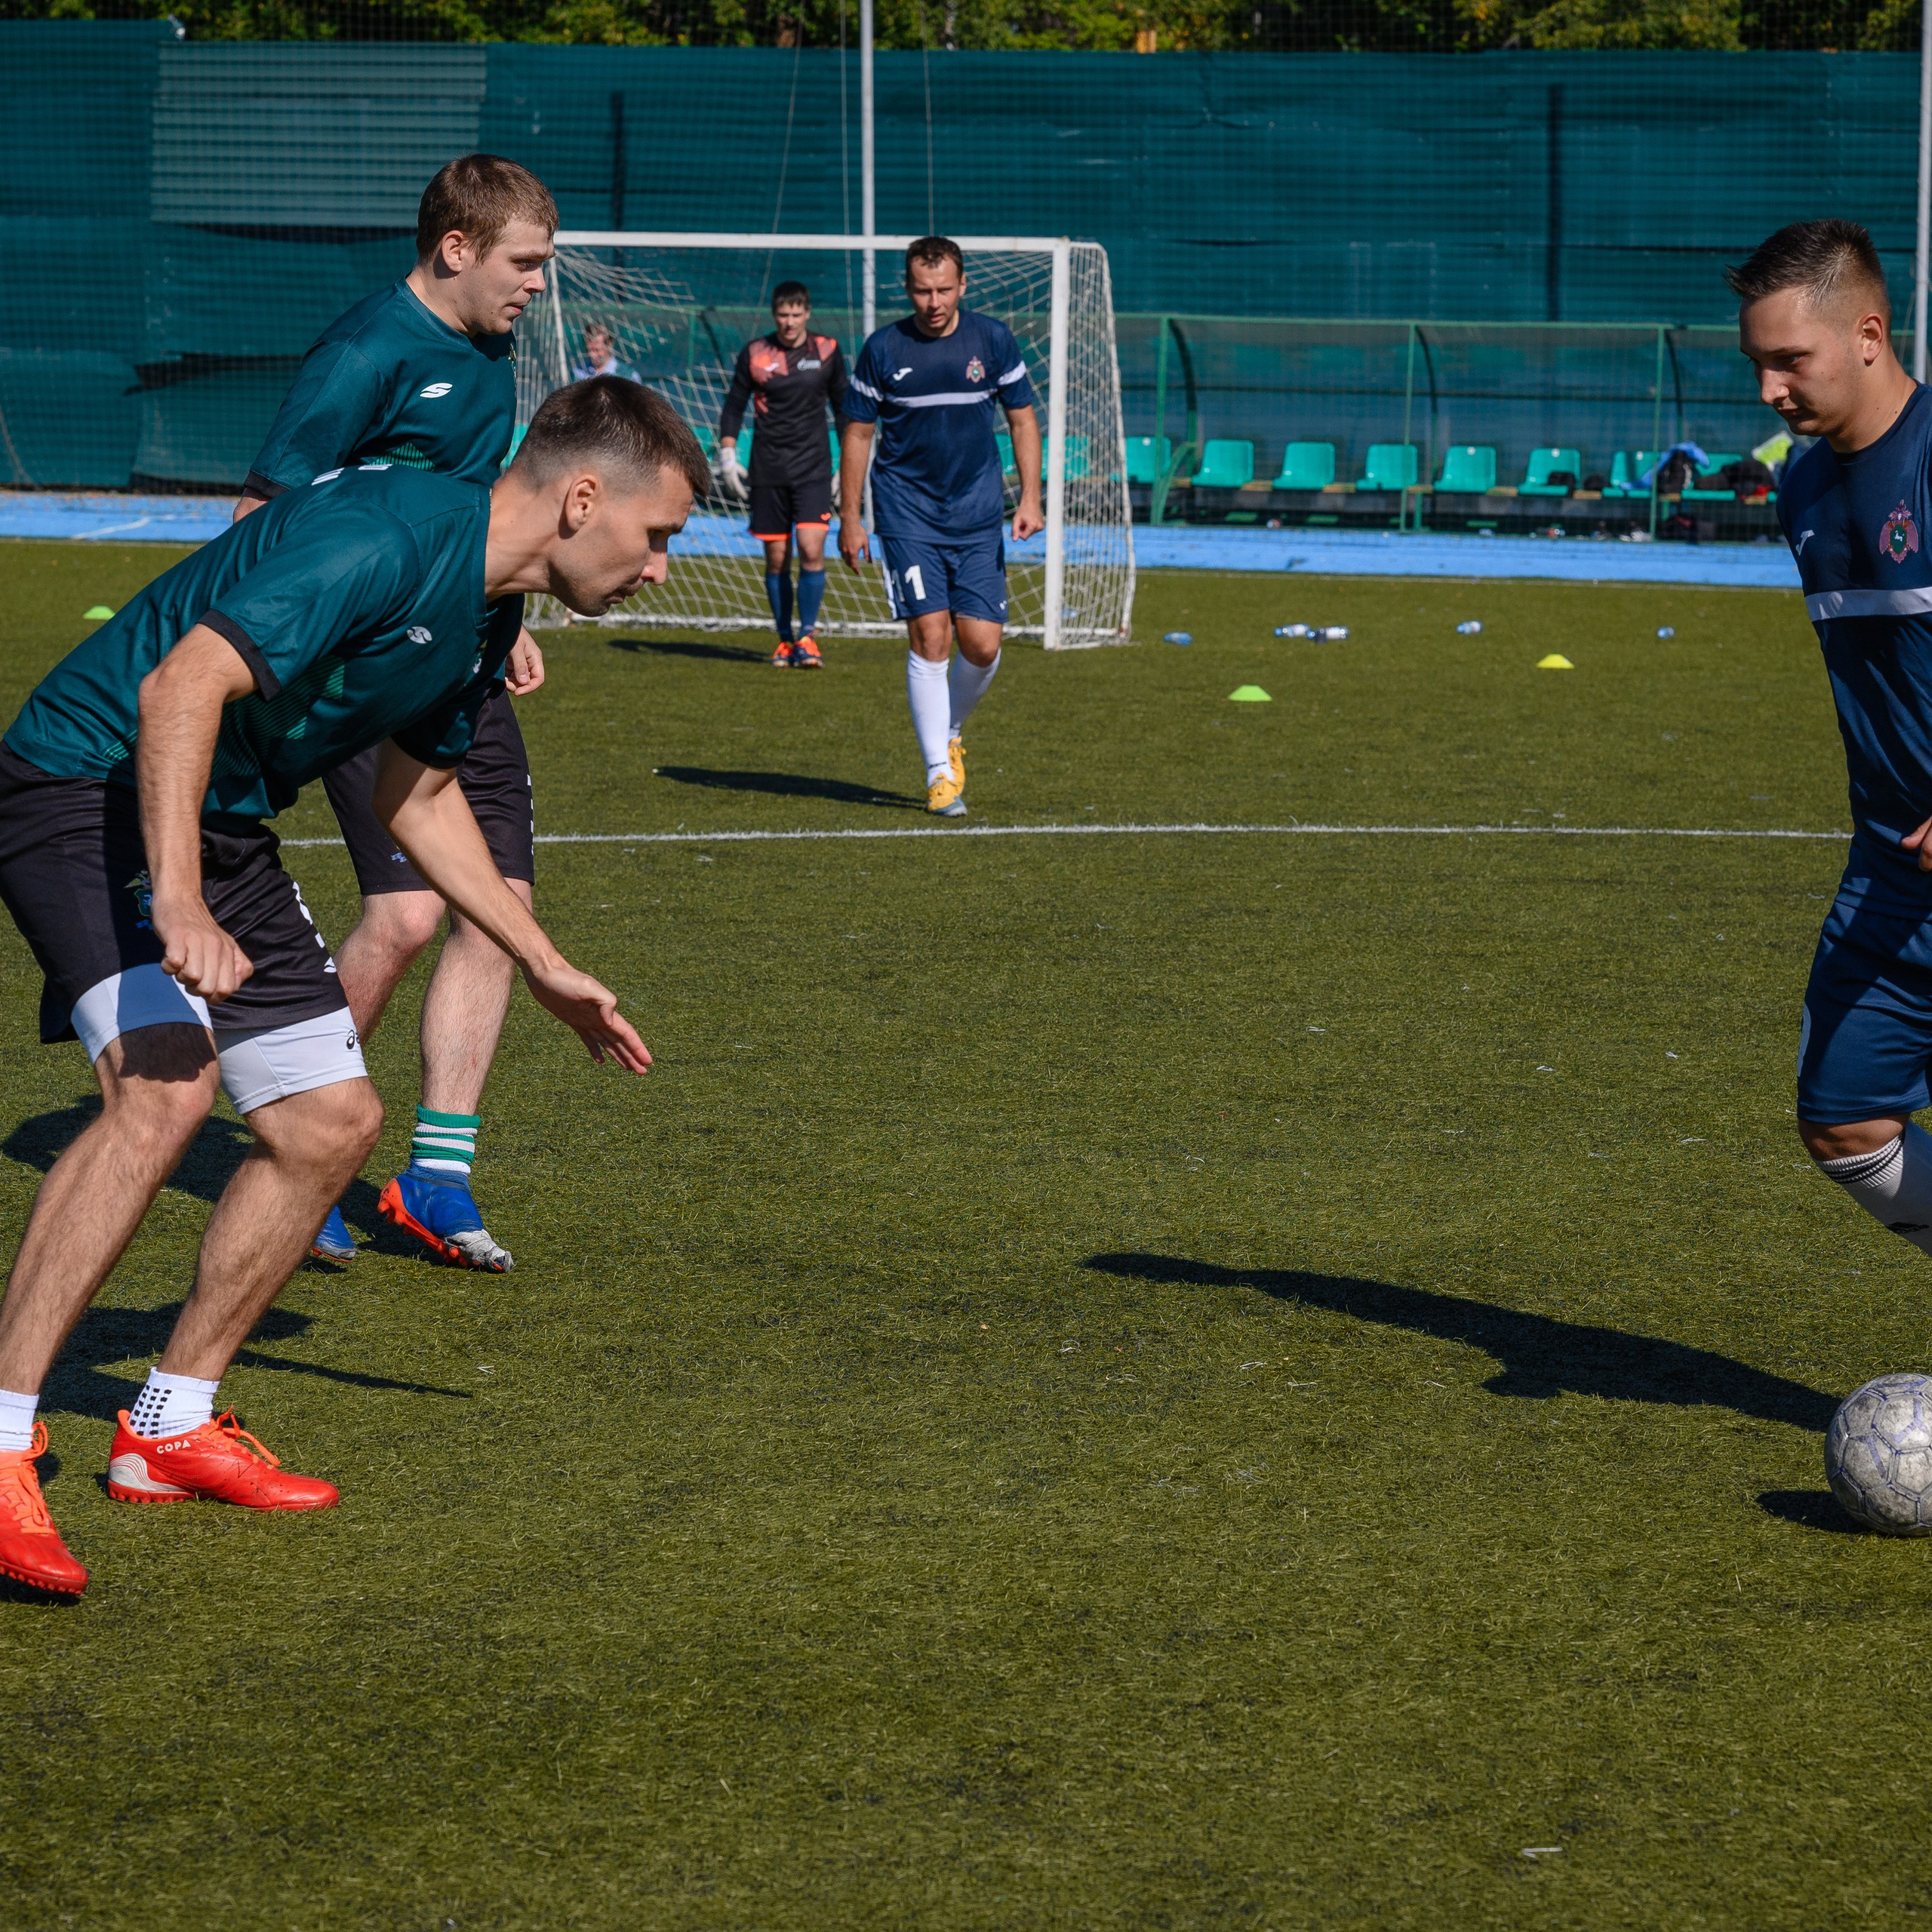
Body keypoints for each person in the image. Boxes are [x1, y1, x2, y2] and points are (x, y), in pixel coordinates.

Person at [0, 377, 709, 1597]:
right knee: (166, 1093)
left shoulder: (485, 618)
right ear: (583, 498)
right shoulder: (388, 534)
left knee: (331, 1125)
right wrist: (175, 901)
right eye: (659, 537)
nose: (658, 568)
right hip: (88, 786)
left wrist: (543, 965)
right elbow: (180, 687)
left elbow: (417, 802)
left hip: (215, 824)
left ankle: (168, 1423)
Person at [235, 153, 556, 1273]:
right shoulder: (366, 351)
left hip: (466, 654)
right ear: (455, 250)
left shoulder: (494, 345)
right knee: (412, 915)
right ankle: (307, 1136)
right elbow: (259, 515)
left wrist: (510, 618)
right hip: (368, 661)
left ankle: (434, 1176)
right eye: (524, 264)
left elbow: (476, 510)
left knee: (501, 910)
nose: (538, 287)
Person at [1734, 220, 1932, 1255]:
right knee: (1845, 1120)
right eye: (1757, 364)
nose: (1770, 390)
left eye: (1788, 362)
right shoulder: (1801, 487)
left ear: (1869, 332)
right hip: (1892, 869)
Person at [838, 238, 1042, 815]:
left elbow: (1022, 418)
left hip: (978, 514)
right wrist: (851, 518)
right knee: (932, 635)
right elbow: (856, 434)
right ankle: (937, 774)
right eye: (923, 291)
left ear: (963, 285)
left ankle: (948, 730)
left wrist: (1031, 496)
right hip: (907, 512)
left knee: (981, 645)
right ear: (907, 289)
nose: (934, 302)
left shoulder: (993, 340)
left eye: (944, 290)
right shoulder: (883, 348)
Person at [718, 281, 849, 669]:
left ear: (807, 313)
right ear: (775, 315)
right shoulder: (756, 353)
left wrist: (847, 468)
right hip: (768, 470)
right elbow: (734, 405)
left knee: (811, 549)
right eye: (783, 315)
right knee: (777, 559)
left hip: (814, 469)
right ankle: (784, 640)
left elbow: (844, 410)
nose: (790, 322)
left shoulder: (827, 352)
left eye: (796, 315)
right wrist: (728, 454)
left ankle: (808, 637)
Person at [574, 323, 641, 383]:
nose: (592, 355)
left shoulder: (629, 376)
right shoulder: (579, 373)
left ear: (610, 345)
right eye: (589, 350)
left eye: (597, 350)